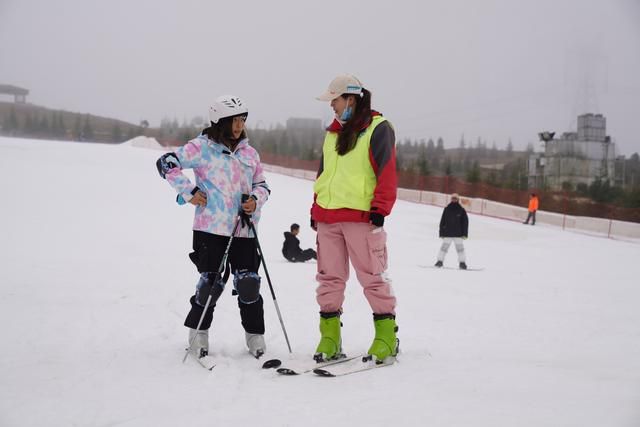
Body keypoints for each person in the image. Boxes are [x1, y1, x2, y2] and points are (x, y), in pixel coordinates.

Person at [156, 95, 271, 359]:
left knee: (249, 284)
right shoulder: (201, 147)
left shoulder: (250, 153)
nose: (240, 125)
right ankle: (198, 333)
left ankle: (255, 335)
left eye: (242, 119)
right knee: (211, 284)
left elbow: (262, 185)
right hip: (210, 229)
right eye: (234, 120)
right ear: (220, 121)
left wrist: (255, 200)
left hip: (244, 230)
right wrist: (189, 191)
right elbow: (167, 163)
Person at [311, 74, 399, 364]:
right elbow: (324, 174)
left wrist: (380, 208)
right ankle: (330, 338)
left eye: (334, 101)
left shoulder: (379, 128)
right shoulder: (332, 133)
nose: (332, 107)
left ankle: (386, 336)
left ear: (350, 98)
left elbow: (387, 170)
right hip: (328, 216)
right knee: (329, 278)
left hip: (362, 217)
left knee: (372, 277)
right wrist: (316, 209)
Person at [434, 193, 469, 270]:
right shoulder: (446, 209)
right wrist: (441, 233)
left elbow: (465, 223)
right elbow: (442, 221)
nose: (454, 200)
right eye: (452, 198)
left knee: (460, 250)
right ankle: (439, 261)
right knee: (443, 248)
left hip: (458, 234)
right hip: (448, 233)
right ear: (451, 199)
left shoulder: (461, 210)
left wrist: (465, 234)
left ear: (458, 200)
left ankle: (462, 263)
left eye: (455, 198)